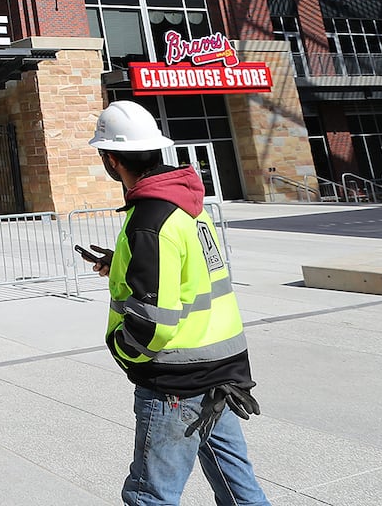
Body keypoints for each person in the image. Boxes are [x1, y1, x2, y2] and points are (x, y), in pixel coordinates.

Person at [84, 100, 272, 506]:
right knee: (240, 491)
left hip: (178, 381)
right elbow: (192, 274)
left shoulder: (149, 220)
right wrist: (123, 264)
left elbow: (155, 322)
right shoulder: (188, 205)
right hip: (223, 370)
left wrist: (122, 349)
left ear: (112, 160)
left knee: (151, 495)